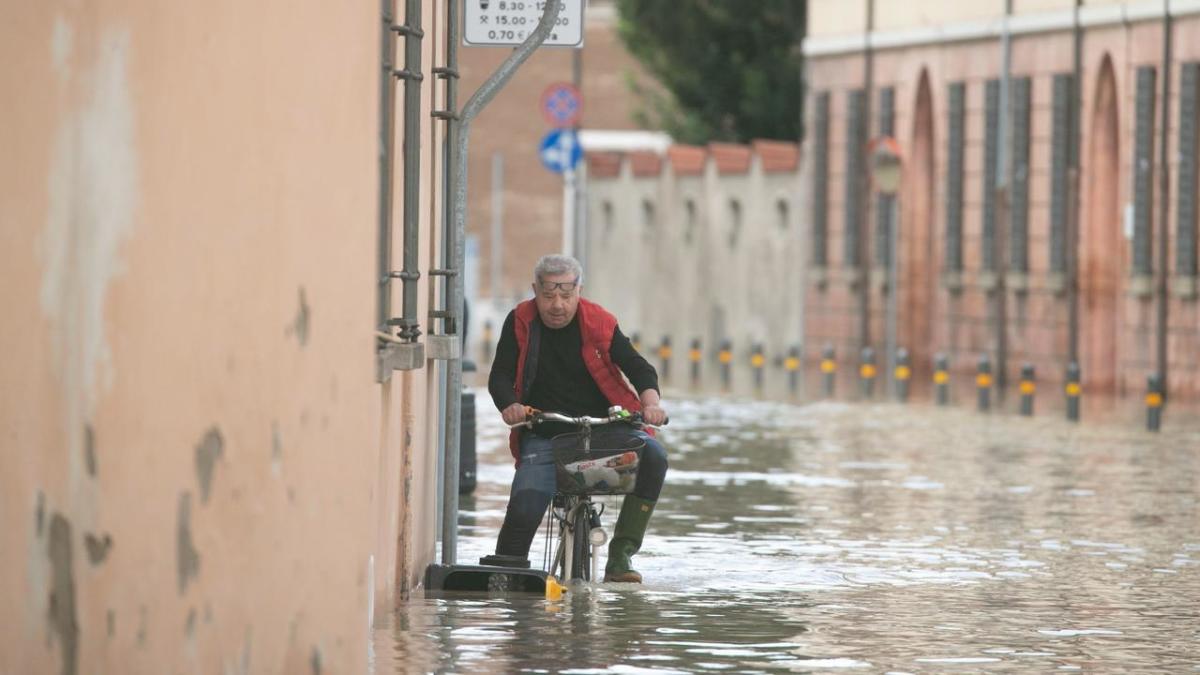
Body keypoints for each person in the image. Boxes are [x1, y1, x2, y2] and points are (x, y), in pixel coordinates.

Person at [485, 254, 668, 583]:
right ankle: (507, 576)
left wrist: (651, 402)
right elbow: (499, 376)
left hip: (604, 430)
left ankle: (621, 555)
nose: (557, 305)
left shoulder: (600, 321)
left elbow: (639, 368)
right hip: (544, 433)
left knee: (654, 456)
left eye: (567, 296)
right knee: (525, 503)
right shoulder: (520, 321)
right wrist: (509, 405)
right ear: (535, 291)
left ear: (579, 292)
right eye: (548, 295)